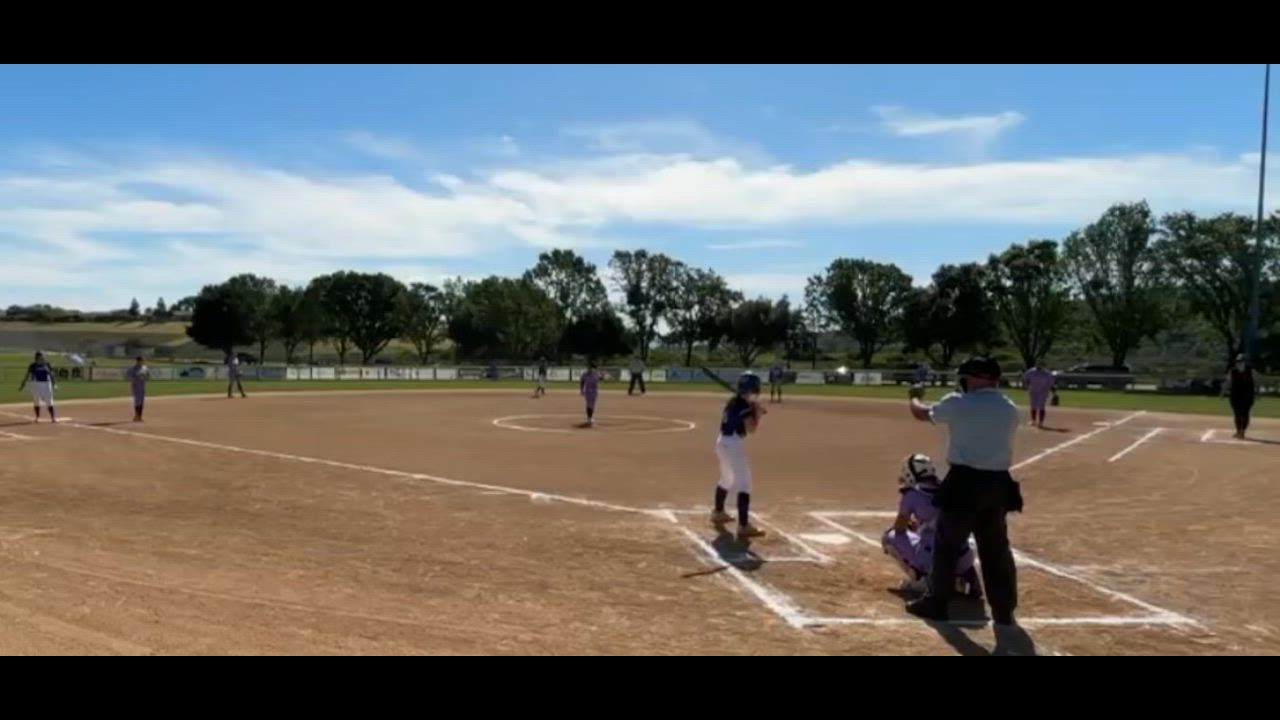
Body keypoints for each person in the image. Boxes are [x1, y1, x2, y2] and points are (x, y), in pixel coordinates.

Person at [905, 356, 1022, 626]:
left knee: (947, 544)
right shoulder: (1009, 408)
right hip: (998, 483)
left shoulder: (959, 403)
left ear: (977, 378)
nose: (964, 382)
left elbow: (922, 413)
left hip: (965, 481)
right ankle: (1004, 610)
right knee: (996, 548)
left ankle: (936, 602)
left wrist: (914, 397)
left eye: (967, 378)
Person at [882, 453, 982, 598]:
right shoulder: (949, 488)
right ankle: (965, 578)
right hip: (964, 556)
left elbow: (899, 528)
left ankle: (922, 582)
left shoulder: (911, 495)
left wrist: (915, 527)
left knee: (889, 537)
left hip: (934, 558)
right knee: (954, 541)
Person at [711, 372, 767, 540]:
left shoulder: (734, 402)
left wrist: (753, 409)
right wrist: (757, 414)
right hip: (733, 445)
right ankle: (743, 526)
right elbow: (751, 429)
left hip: (722, 442)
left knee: (727, 479)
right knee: (745, 484)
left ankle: (718, 512)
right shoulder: (743, 406)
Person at [1224, 354, 1259, 439]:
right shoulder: (1232, 371)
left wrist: (1257, 392)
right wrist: (1223, 392)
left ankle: (1242, 431)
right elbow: (1228, 382)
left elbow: (1256, 382)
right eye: (1238, 361)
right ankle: (1238, 430)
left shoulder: (1251, 370)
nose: (1239, 363)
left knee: (1245, 413)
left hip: (1248, 395)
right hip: (1235, 395)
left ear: (1245, 362)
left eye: (1241, 361)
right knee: (1237, 414)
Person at [18, 351, 58, 423]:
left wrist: (54, 384)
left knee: (49, 401)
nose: (40, 358)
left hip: (47, 384)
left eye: (41, 356)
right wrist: (22, 385)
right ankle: (37, 417)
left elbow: (51, 375)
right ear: (36, 357)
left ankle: (53, 417)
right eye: (39, 356)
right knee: (36, 401)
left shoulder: (47, 364)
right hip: (36, 384)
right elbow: (27, 375)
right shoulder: (33, 366)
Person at [1023, 363, 1056, 428]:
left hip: (1043, 391)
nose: (1039, 366)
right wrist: (1027, 386)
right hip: (1033, 391)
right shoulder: (1031, 371)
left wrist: (1053, 392)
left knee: (1041, 406)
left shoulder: (1047, 373)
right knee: (1033, 406)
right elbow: (1026, 379)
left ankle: (1041, 422)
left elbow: (1051, 383)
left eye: (1040, 365)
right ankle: (1033, 421)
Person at [579, 362, 601, 427]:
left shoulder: (597, 374)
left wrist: (604, 375)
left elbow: (602, 378)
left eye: (591, 368)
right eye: (589, 367)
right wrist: (581, 390)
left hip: (594, 391)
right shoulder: (585, 374)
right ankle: (589, 418)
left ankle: (590, 417)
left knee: (592, 405)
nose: (590, 369)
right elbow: (582, 382)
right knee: (589, 405)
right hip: (588, 391)